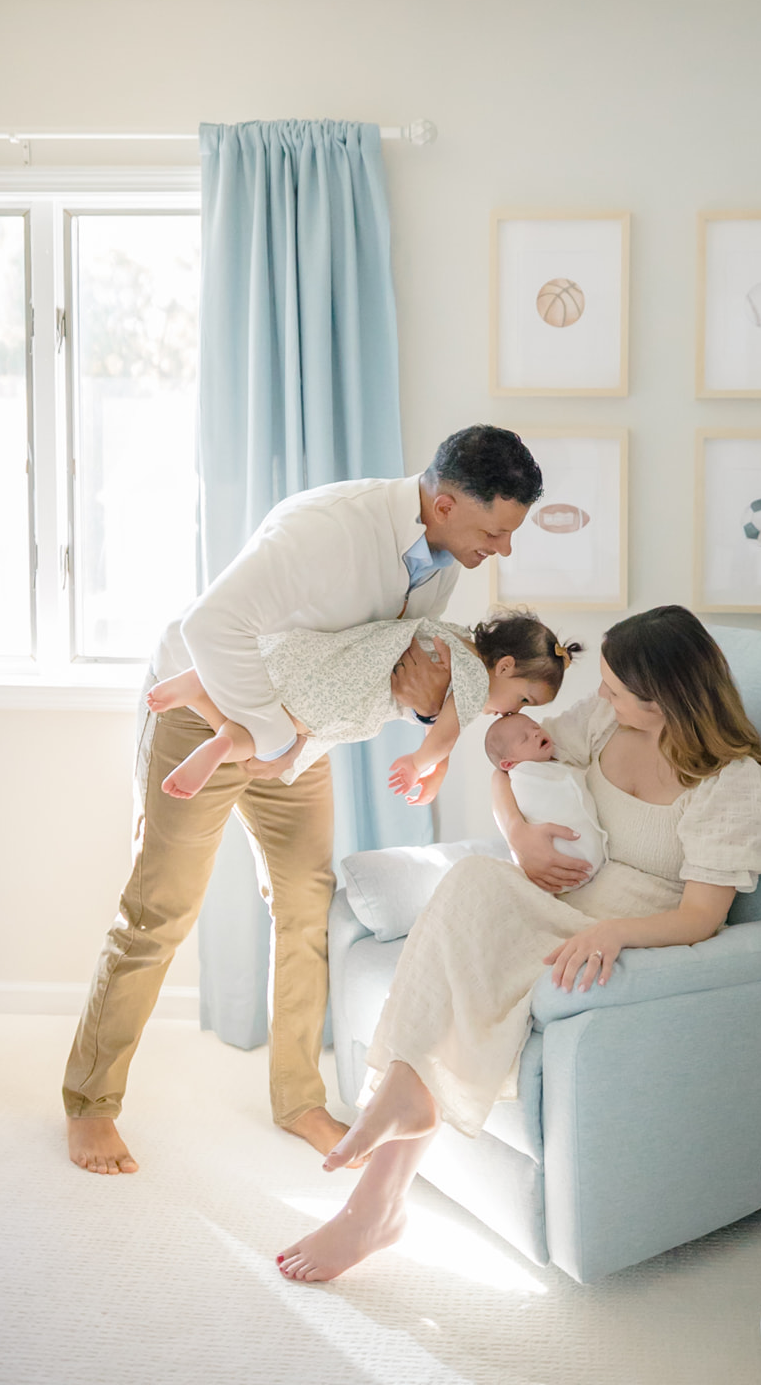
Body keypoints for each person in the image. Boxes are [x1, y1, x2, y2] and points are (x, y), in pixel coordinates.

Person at [63, 425, 543, 1177]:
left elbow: (387, 669)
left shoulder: (445, 560)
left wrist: (421, 717)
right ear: (444, 502)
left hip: (300, 735)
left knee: (305, 907)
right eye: (495, 530)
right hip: (209, 715)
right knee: (160, 911)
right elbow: (210, 625)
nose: (502, 550)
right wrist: (261, 738)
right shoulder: (326, 528)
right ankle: (89, 1104)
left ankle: (296, 1098)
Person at [276, 604, 761, 1283]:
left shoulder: (735, 785)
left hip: (628, 928)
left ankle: (374, 1200)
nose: (597, 697)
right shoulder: (604, 723)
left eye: (614, 689)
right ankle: (394, 1137)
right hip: (553, 897)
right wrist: (516, 835)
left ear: (663, 701)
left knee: (465, 979)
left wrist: (612, 931)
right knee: (475, 881)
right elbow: (507, 767)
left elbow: (701, 918)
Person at [145, 612, 582, 803]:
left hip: (314, 658)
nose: (513, 712)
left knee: (265, 724)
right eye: (524, 699)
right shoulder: (474, 677)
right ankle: (223, 740)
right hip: (338, 695)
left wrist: (438, 767)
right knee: (270, 741)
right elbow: (445, 734)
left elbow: (440, 725)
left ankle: (202, 689)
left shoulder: (453, 637)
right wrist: (418, 763)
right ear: (504, 666)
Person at [483, 711, 607, 886]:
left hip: (589, 857)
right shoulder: (522, 775)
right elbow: (499, 776)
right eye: (524, 738)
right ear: (509, 764)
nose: (536, 733)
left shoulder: (554, 764)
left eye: (536, 727)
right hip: (554, 855)